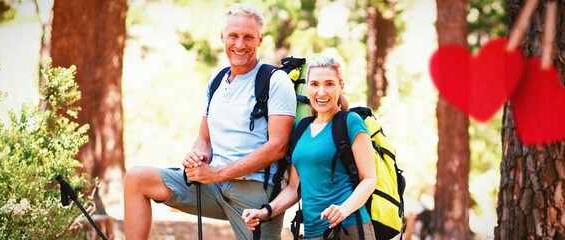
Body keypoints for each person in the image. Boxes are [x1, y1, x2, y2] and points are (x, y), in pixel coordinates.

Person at [123, 3, 296, 240]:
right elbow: (204, 139)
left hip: (254, 192)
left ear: (260, 40)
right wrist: (197, 155)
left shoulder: (275, 81)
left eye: (248, 37)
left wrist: (217, 173)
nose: (240, 44)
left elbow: (278, 146)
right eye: (233, 36)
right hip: (212, 187)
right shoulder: (216, 81)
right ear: (222, 37)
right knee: (137, 178)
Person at [242, 56, 377, 240]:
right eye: (314, 84)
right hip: (312, 233)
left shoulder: (350, 122)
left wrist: (343, 210)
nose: (321, 92)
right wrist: (265, 212)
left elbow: (369, 179)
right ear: (307, 87)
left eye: (329, 84)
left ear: (341, 86)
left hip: (349, 227)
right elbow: (294, 187)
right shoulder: (301, 128)